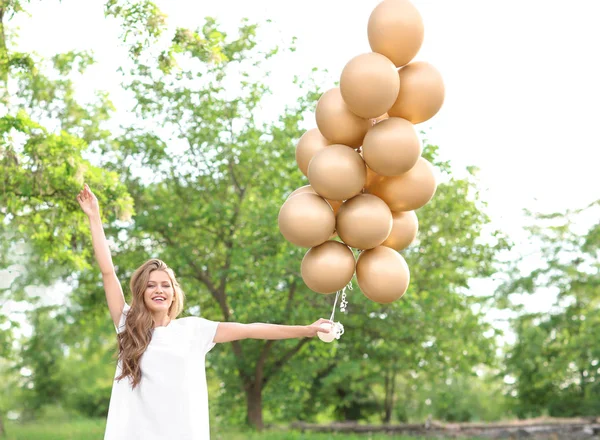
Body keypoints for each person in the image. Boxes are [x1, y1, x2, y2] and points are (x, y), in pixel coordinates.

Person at [76, 184, 332, 440]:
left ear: (174, 293)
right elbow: (108, 272)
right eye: (151, 285)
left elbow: (251, 329)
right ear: (141, 292)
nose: (159, 290)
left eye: (166, 285)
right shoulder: (128, 325)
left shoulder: (194, 330)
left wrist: (307, 329)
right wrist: (94, 217)